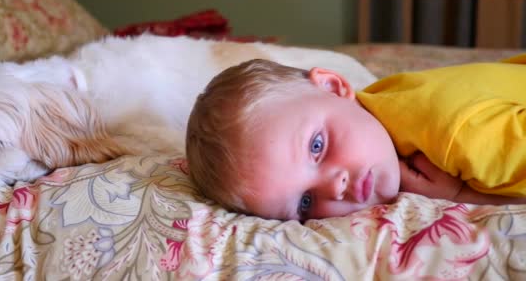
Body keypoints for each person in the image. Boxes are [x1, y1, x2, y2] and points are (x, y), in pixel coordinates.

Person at [185, 55, 526, 221]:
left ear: (335, 87)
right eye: (305, 202)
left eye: (317, 147)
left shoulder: (457, 134)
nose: (334, 188)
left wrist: (462, 195)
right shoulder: (377, 110)